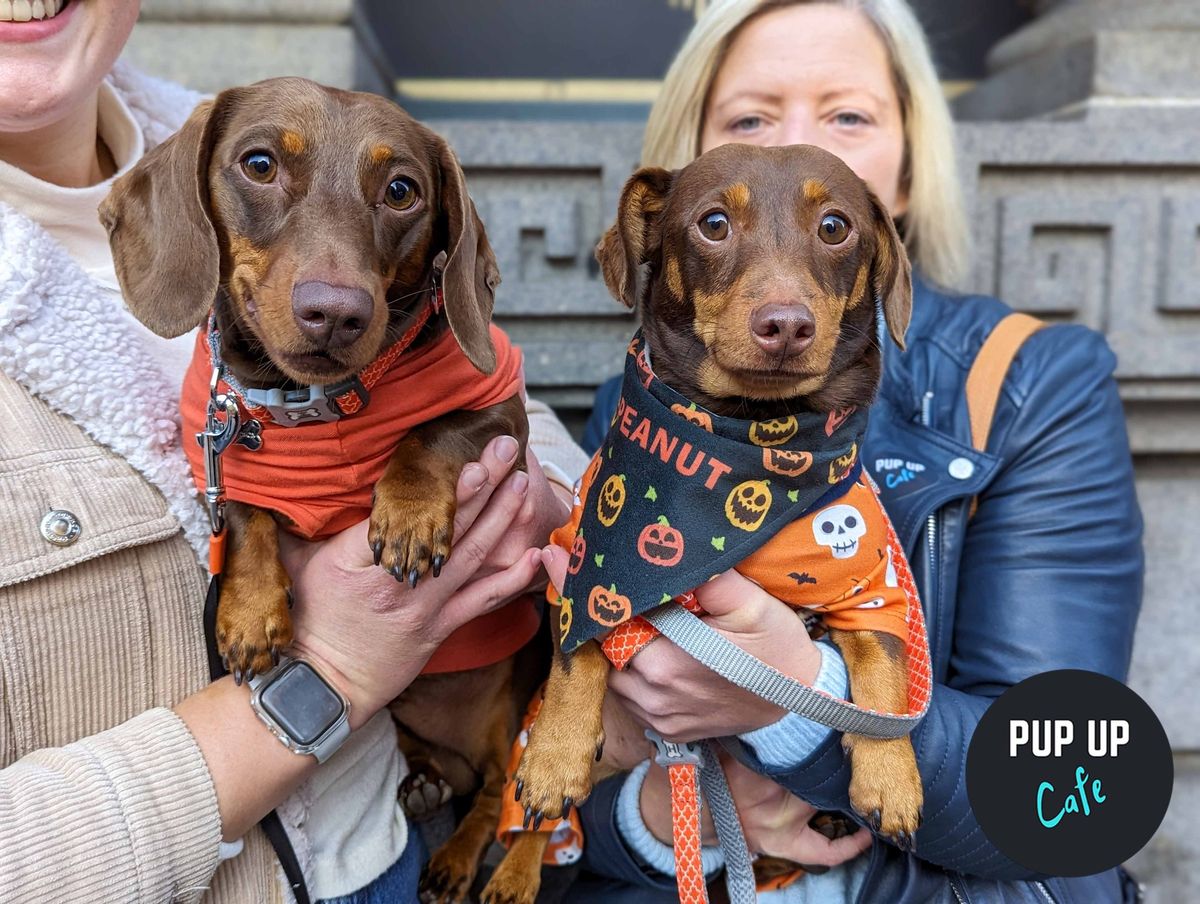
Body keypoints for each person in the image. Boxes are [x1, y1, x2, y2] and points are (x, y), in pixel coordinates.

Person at [0, 3, 588, 902]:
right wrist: (329, 673)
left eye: (396, 197)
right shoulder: (210, 165)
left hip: (403, 835)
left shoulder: (227, 127)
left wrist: (548, 505)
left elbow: (493, 393)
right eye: (264, 170)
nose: (337, 299)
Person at [566, 1, 1145, 902]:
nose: (801, 146)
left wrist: (796, 703)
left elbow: (1072, 792)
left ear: (907, 172)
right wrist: (653, 816)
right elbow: (573, 805)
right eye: (751, 119)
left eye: (848, 116)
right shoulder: (636, 411)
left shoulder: (1030, 385)